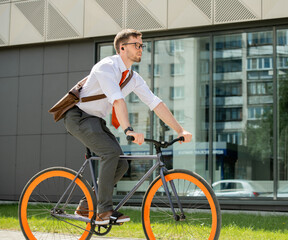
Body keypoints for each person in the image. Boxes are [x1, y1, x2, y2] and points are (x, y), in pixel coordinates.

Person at [64, 29, 192, 225]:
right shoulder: (106, 67)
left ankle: (85, 205)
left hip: (95, 120)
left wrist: (179, 130)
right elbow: (117, 101)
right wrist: (128, 130)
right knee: (110, 153)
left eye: (142, 45)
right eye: (137, 45)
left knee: (121, 163)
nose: (141, 49)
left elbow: (155, 103)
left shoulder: (133, 78)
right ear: (122, 47)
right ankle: (103, 211)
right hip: (78, 117)